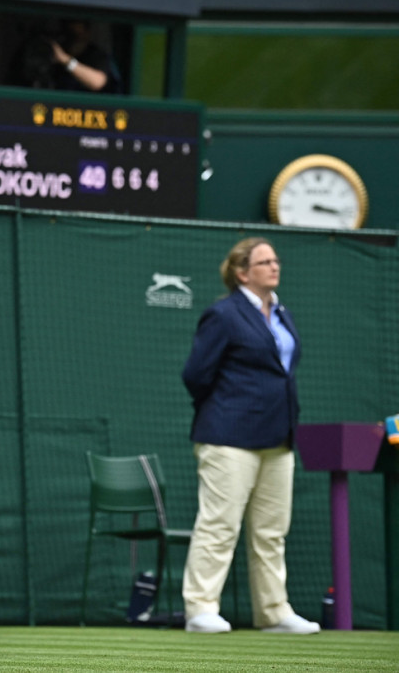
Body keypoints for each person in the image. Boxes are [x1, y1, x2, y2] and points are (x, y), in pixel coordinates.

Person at [180, 237, 320, 635]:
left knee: (271, 531)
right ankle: (201, 609)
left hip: (279, 436)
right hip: (228, 435)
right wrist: (230, 408)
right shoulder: (223, 314)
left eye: (275, 260)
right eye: (264, 261)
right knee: (219, 525)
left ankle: (274, 612)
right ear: (242, 271)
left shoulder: (282, 313)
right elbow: (196, 375)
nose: (274, 266)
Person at [12, 18, 122, 94]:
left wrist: (64, 59)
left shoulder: (96, 55)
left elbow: (97, 82)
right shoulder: (50, 53)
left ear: (87, 31)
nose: (72, 35)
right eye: (68, 29)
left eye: (76, 33)